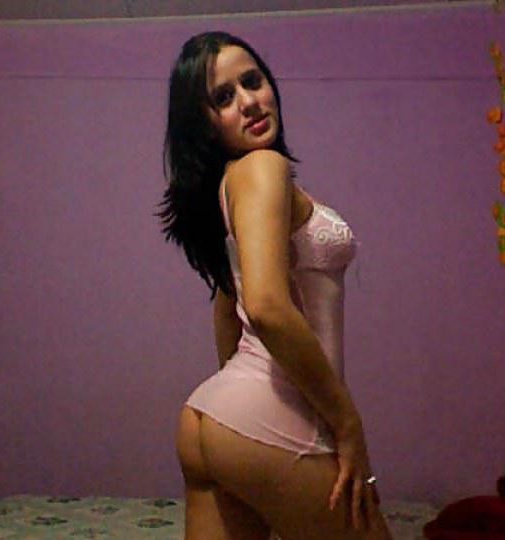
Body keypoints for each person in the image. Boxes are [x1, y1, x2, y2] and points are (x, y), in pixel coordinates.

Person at [159, 31, 391, 540]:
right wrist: (347, 423)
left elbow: (229, 307)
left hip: (209, 415)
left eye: (253, 81)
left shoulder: (233, 187)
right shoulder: (264, 168)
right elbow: (264, 306)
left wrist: (231, 415)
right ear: (204, 122)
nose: (248, 101)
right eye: (223, 97)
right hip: (274, 410)